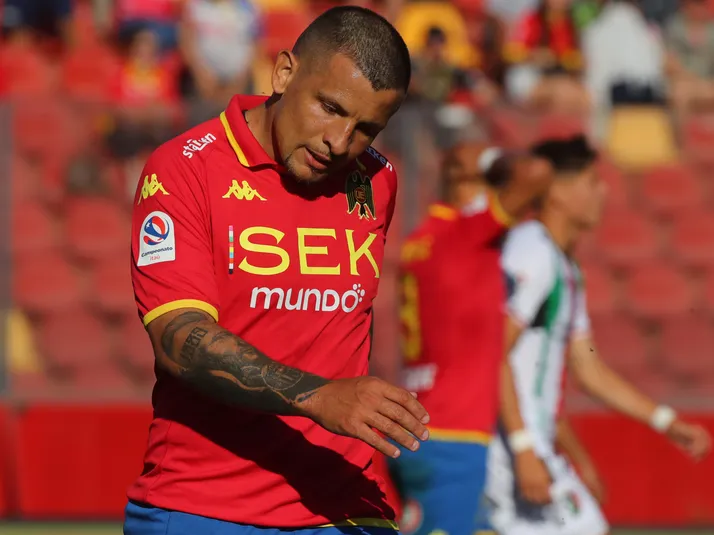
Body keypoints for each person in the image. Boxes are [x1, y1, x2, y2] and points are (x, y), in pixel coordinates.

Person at [124, 7, 432, 535]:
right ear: (284, 72)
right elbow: (180, 340)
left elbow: (345, 327)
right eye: (330, 107)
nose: (340, 141)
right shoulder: (185, 168)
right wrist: (320, 397)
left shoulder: (375, 181)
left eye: (366, 128)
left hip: (346, 502)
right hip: (207, 507)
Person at [487, 134, 712, 535]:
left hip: (532, 444)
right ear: (557, 191)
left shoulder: (564, 267)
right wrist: (523, 449)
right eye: (591, 181)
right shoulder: (531, 251)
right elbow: (493, 351)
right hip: (508, 449)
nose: (603, 192)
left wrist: (665, 421)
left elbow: (588, 369)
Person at [391, 140, 554, 535]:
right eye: (488, 182)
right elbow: (537, 173)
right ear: (464, 182)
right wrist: (488, 159)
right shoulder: (466, 232)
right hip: (454, 434)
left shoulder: (419, 240)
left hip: (416, 422)